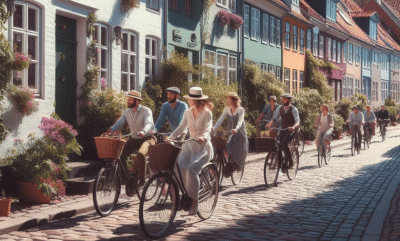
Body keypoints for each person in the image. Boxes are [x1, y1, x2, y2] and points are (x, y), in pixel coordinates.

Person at [168, 87, 214, 216]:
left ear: (195, 100)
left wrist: (204, 136)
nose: (188, 101)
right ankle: (185, 193)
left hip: (202, 146)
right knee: (178, 167)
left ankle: (195, 201)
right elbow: (181, 127)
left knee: (191, 169)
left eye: (190, 99)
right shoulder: (188, 112)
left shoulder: (207, 113)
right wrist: (171, 137)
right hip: (189, 145)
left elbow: (208, 127)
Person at [108, 90, 155, 186]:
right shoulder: (126, 112)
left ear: (137, 101)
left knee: (141, 154)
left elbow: (149, 123)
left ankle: (142, 180)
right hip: (134, 139)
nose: (127, 101)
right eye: (127, 98)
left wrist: (143, 131)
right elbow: (120, 123)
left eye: (130, 99)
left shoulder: (146, 111)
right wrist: (112, 129)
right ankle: (126, 178)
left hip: (147, 137)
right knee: (120, 156)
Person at [212, 93, 249, 174]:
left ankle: (237, 164)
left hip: (239, 133)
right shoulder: (227, 109)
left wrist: (236, 129)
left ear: (234, 100)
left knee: (238, 150)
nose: (226, 101)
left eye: (228, 100)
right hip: (230, 132)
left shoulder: (240, 109)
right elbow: (220, 121)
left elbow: (240, 121)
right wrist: (213, 128)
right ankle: (228, 162)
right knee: (224, 145)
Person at [266, 93, 300, 169]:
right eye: (282, 99)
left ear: (289, 100)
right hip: (284, 129)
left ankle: (291, 162)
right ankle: (280, 163)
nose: (283, 100)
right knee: (278, 144)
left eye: (284, 99)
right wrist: (270, 124)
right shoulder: (280, 108)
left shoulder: (293, 109)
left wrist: (293, 127)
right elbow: (275, 118)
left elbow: (297, 120)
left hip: (292, 130)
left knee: (283, 143)